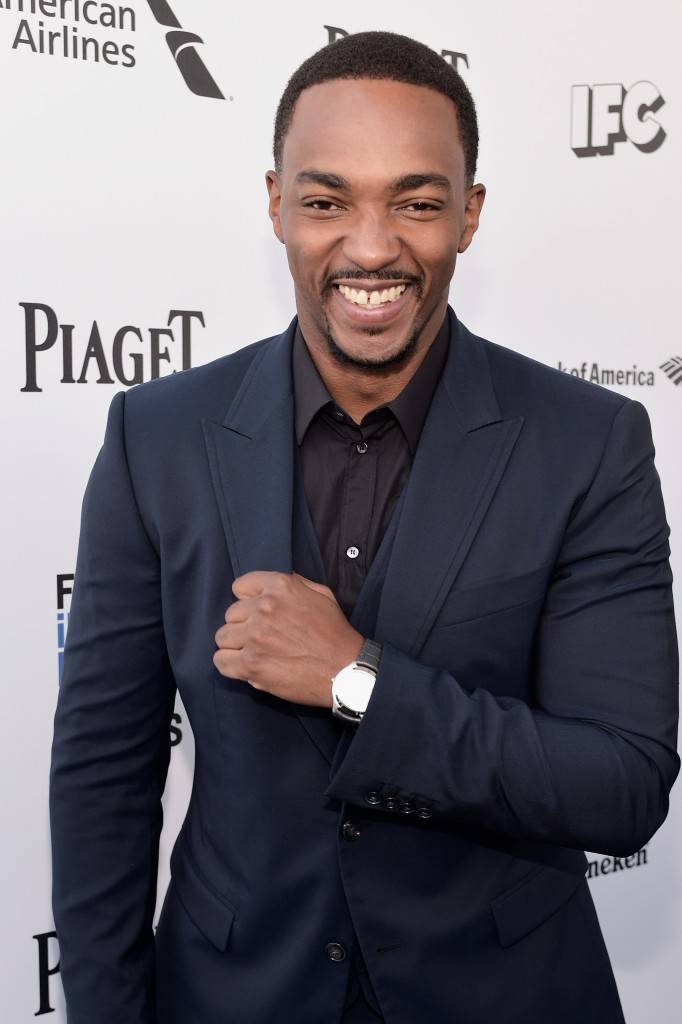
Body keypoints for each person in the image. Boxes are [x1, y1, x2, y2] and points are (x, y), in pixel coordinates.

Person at [50, 30, 679, 1024]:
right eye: (326, 199)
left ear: (468, 215)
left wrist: (357, 681)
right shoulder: (155, 436)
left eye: (417, 203)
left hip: (503, 995)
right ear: (275, 205)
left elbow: (620, 783)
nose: (372, 245)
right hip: (233, 994)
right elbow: (101, 778)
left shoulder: (588, 443)